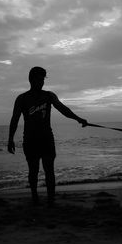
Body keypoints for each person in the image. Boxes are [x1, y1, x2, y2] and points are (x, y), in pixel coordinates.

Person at [8, 66, 87, 205]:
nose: (42, 82)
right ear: (31, 80)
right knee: (33, 170)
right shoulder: (22, 98)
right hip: (30, 140)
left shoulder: (49, 95)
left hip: (46, 139)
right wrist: (10, 139)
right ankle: (35, 198)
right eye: (39, 79)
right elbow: (14, 119)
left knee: (49, 169)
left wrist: (78, 118)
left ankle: (51, 199)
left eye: (43, 79)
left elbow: (63, 109)